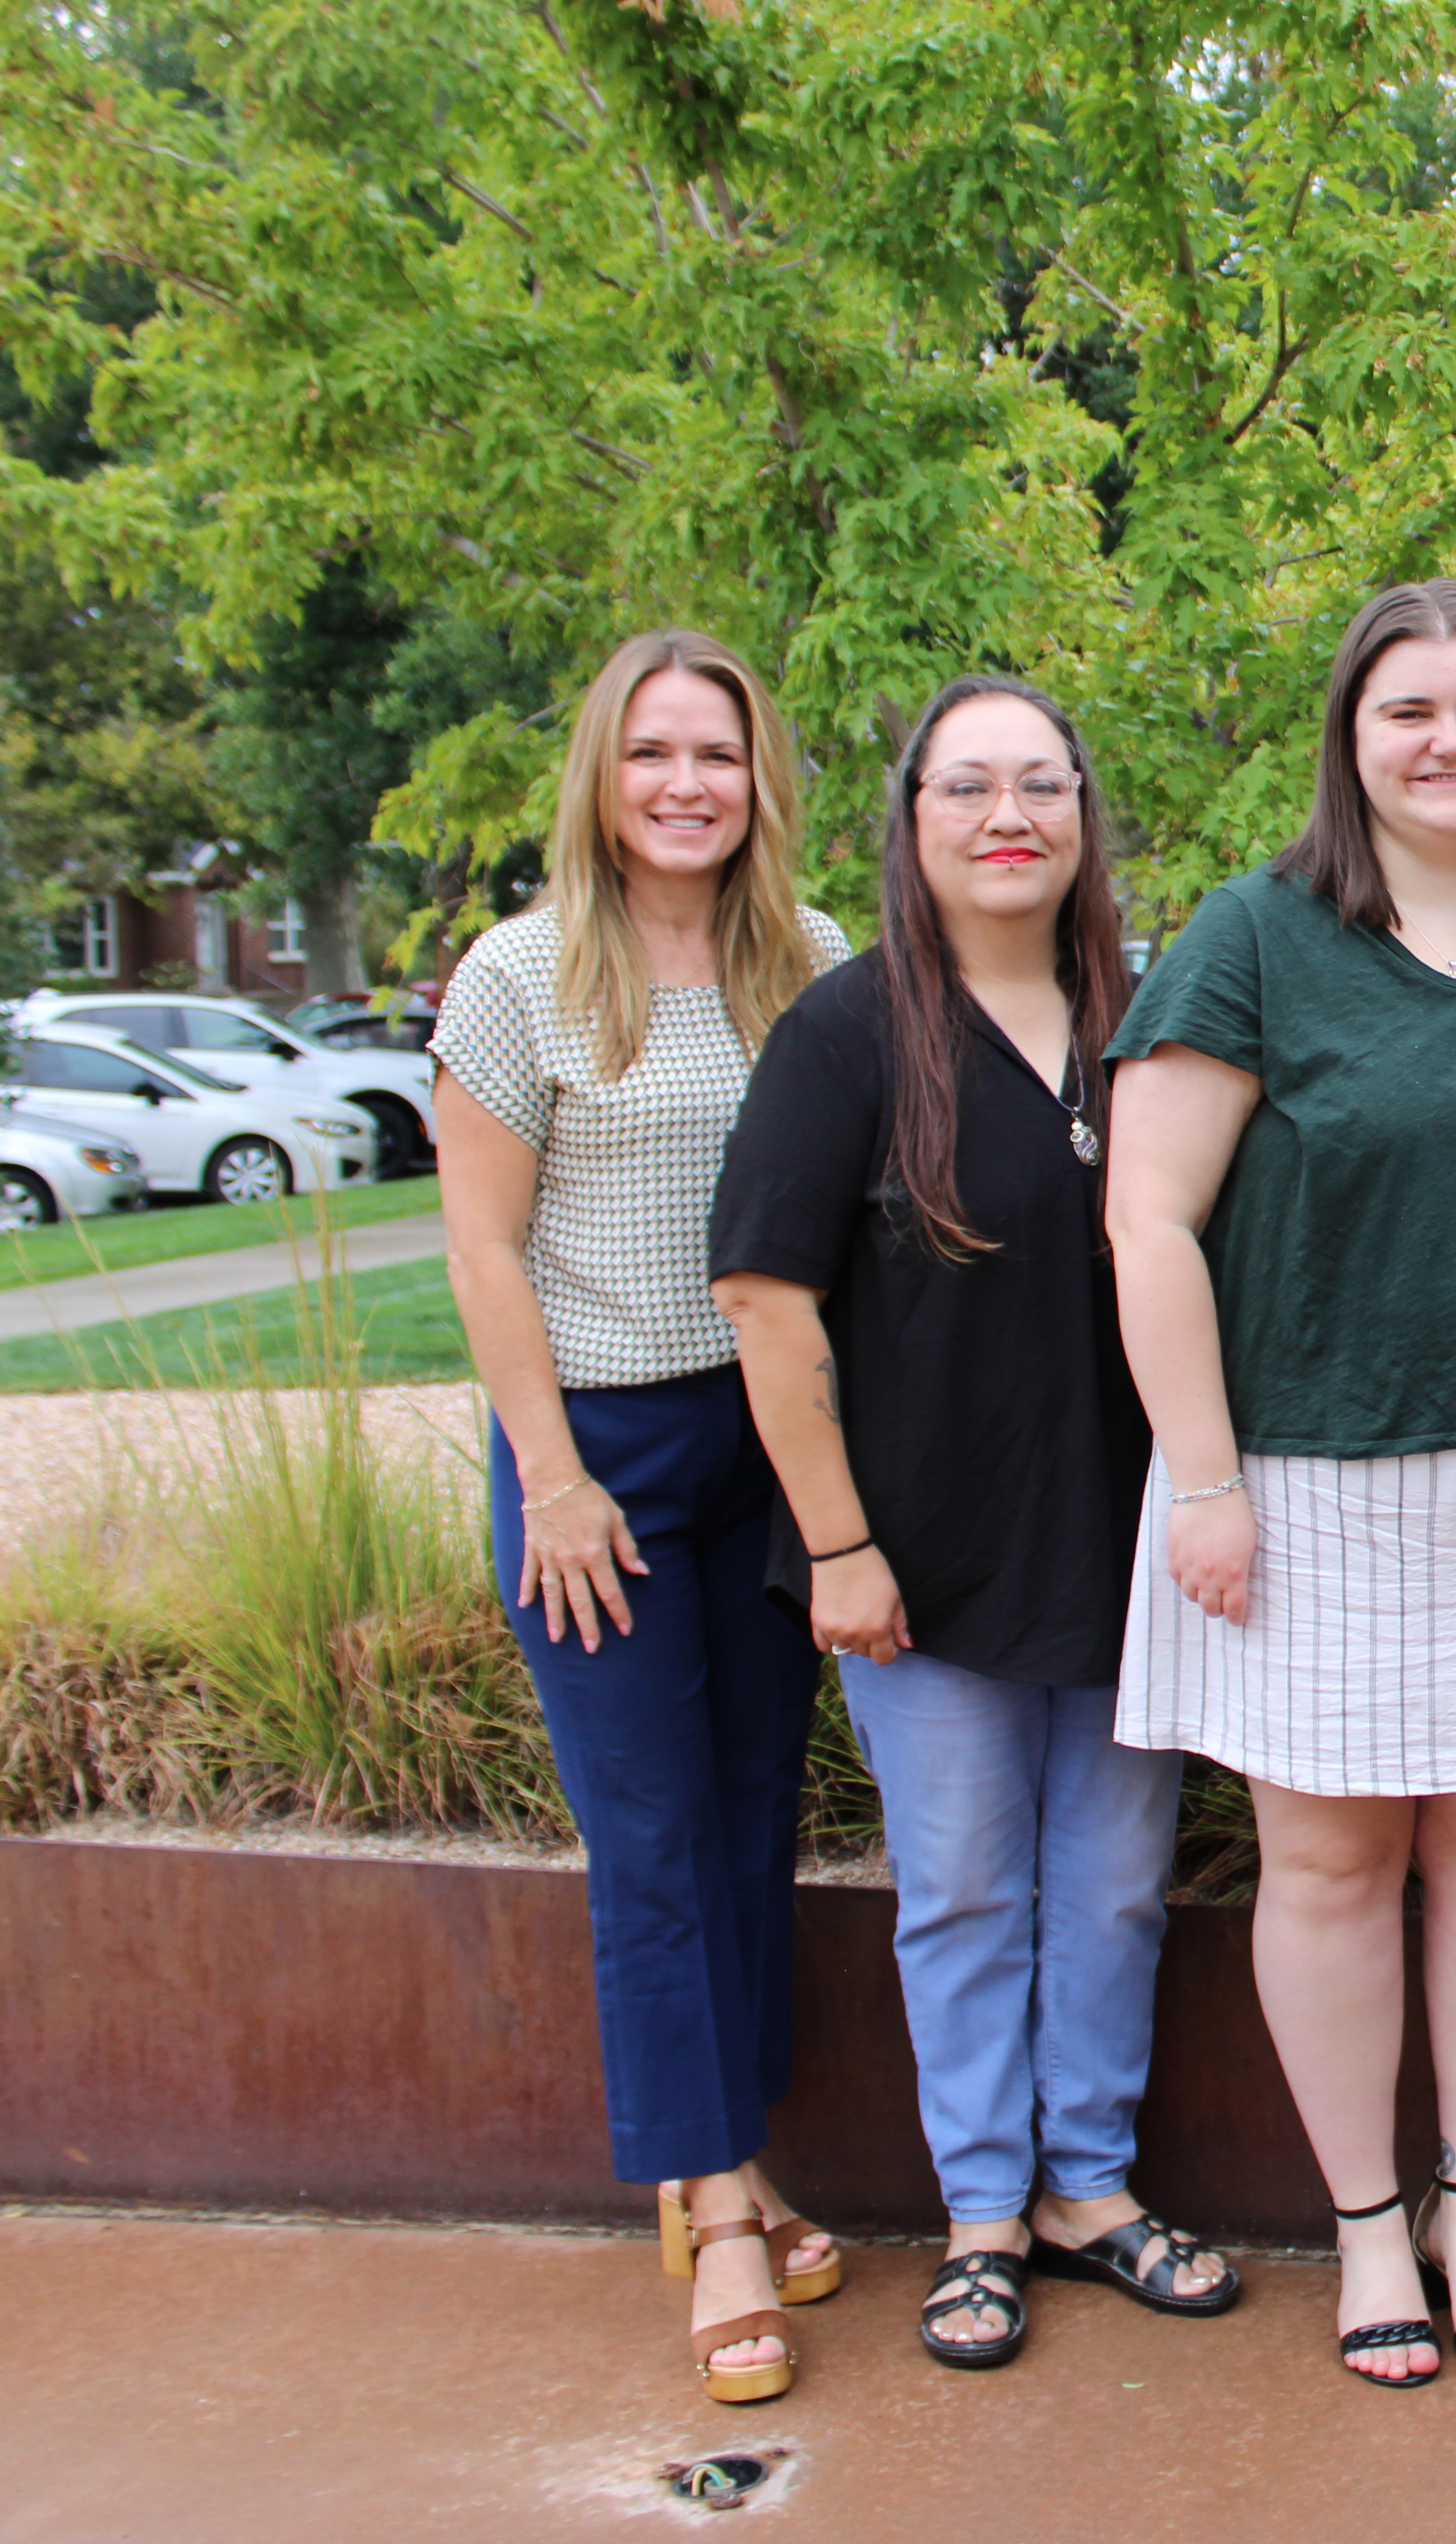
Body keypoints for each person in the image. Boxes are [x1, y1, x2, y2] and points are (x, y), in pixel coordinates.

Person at [1102, 578, 1456, 2389]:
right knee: (1333, 1862)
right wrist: (1203, 1479)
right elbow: (1149, 1217)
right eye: (1407, 710)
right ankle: (1365, 2231)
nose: (1448, 741)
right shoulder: (1255, 941)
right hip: (1304, 1478)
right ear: (1351, 742)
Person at [709, 675, 1242, 2374]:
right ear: (915, 819)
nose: (1007, 814)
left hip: (1123, 1546)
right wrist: (842, 1542)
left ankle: (1093, 2186)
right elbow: (766, 1301)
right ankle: (985, 2217)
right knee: (957, 1895)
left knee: (1111, 1894)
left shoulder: (1144, 1024)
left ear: (1084, 812)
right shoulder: (850, 1030)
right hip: (919, 1563)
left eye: (1040, 784)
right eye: (969, 786)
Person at [432, 627, 849, 2405]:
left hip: (770, 1438)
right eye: (653, 752)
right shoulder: (521, 977)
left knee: (757, 1818)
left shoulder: (811, 964)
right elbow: (480, 1244)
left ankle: (727, 2147)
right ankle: (719, 2210)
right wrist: (554, 1474)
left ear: (761, 782)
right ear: (601, 774)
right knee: (656, 1834)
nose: (687, 783)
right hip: (598, 1450)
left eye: (720, 753)